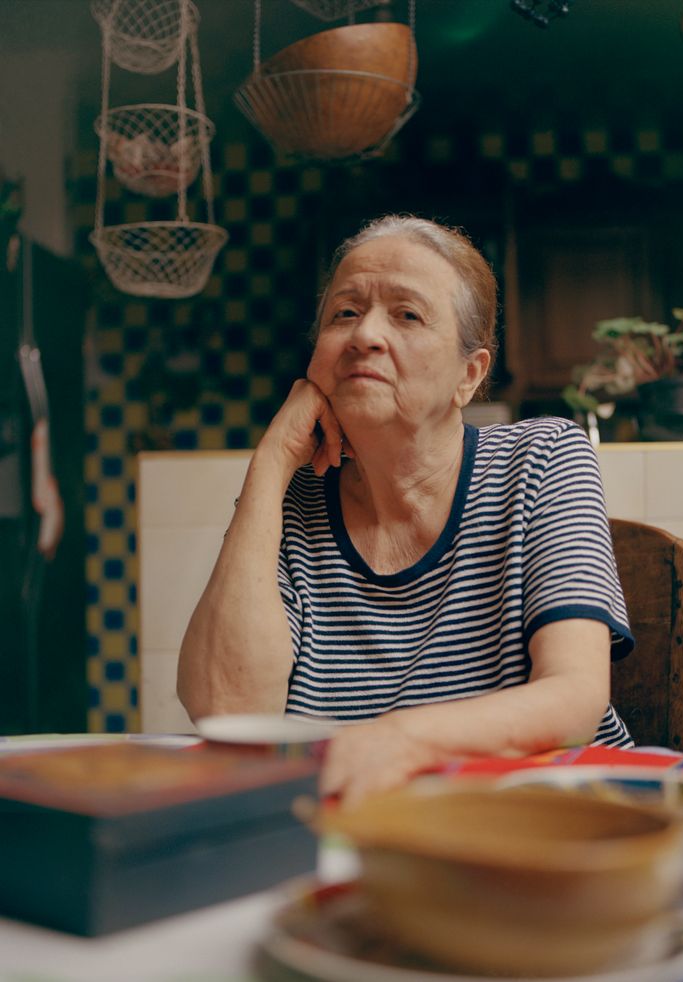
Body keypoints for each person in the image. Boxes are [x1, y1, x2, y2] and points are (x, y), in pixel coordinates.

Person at [178, 215, 634, 804]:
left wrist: (401, 737)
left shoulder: (542, 457)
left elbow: (573, 697)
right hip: (371, 829)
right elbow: (227, 713)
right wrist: (270, 465)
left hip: (552, 817)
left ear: (469, 376)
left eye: (407, 314)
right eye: (344, 312)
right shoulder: (293, 502)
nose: (364, 334)